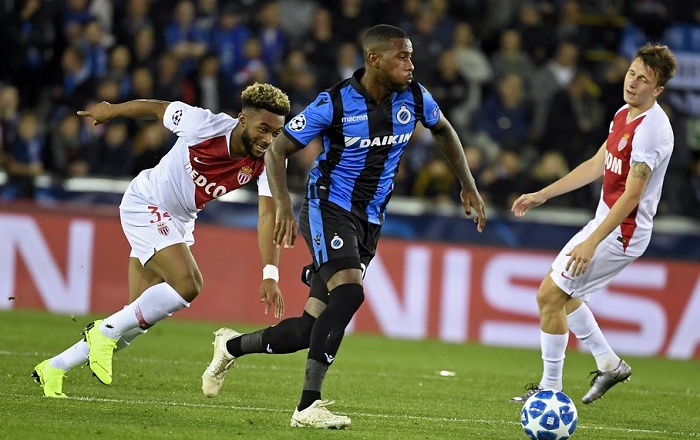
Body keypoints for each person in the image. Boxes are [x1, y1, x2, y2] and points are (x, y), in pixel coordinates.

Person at [200, 24, 487, 428]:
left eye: (411, 56)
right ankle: (307, 407)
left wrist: (467, 184)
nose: (411, 64)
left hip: (371, 219)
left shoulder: (415, 96)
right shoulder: (334, 103)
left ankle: (230, 346)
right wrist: (283, 205)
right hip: (328, 207)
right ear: (374, 60)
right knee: (350, 291)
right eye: (402, 56)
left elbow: (443, 129)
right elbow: (278, 149)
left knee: (307, 330)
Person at [31, 82, 291, 398]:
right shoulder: (203, 124)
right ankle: (102, 331)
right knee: (188, 284)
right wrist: (111, 110)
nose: (268, 140)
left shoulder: (272, 158)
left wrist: (270, 274)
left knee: (135, 321)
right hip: (147, 202)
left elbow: (267, 216)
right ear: (242, 119)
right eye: (263, 129)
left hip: (180, 222)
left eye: (276, 133)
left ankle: (54, 367)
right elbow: (158, 108)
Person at [509, 44, 677, 405]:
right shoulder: (623, 113)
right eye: (631, 73)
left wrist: (592, 242)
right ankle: (609, 364)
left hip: (622, 232)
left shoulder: (652, 131)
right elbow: (597, 164)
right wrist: (542, 194)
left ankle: (550, 391)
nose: (632, 82)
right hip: (606, 223)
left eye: (643, 80)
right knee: (566, 298)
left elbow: (631, 197)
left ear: (658, 90)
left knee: (550, 296)